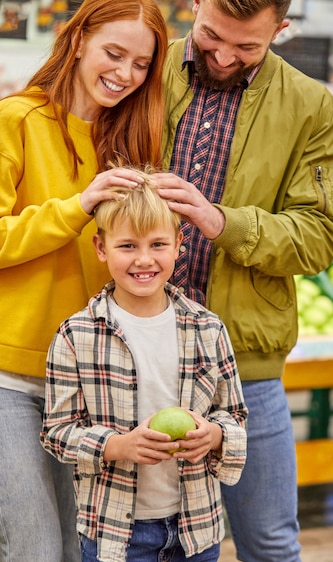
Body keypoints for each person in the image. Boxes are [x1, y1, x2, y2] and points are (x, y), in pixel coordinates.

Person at [155, 0, 333, 560]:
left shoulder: (311, 107)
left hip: (243, 364)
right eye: (213, 34)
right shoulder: (145, 70)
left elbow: (318, 237)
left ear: (282, 29)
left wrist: (221, 221)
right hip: (130, 351)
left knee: (267, 540)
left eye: (249, 46)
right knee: (138, 538)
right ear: (194, 2)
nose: (226, 55)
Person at [0, 0, 168, 561]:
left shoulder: (127, 144)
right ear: (77, 40)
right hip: (9, 379)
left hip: (89, 387)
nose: (125, 73)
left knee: (83, 551)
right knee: (35, 549)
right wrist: (77, 207)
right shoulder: (16, 120)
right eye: (113, 53)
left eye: (141, 64)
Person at [40, 167, 248, 562]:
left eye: (157, 244)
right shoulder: (76, 335)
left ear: (178, 245)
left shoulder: (207, 327)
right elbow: (56, 433)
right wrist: (120, 446)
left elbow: (235, 415)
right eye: (127, 246)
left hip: (196, 527)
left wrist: (214, 436)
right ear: (101, 248)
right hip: (116, 533)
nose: (144, 260)